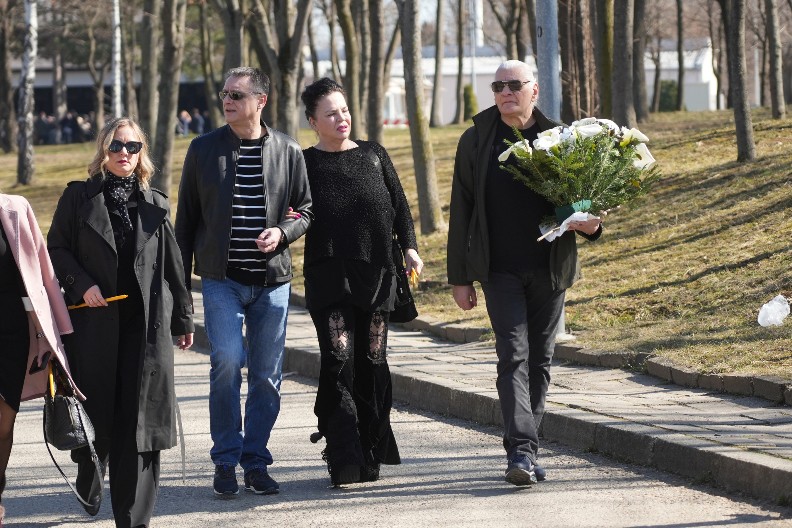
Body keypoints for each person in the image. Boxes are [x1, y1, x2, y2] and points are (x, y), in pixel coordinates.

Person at [447, 60, 602, 486]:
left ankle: (525, 451)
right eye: (498, 85)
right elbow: (461, 209)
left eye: (514, 85)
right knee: (512, 356)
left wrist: (593, 223)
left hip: (550, 269)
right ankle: (521, 453)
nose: (505, 91)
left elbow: (583, 201)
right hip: (499, 270)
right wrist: (459, 276)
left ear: (534, 90)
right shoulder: (476, 139)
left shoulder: (562, 137)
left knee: (541, 361)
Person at [48, 117, 195, 527]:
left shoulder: (156, 203)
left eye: (132, 146)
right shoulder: (79, 198)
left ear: (141, 152)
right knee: (99, 418)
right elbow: (55, 249)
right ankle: (90, 472)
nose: (124, 154)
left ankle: (134, 518)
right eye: (116, 146)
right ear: (103, 151)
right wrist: (81, 285)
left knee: (141, 421)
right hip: (95, 325)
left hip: (144, 326)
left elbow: (173, 267)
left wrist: (183, 317)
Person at [175, 66, 312, 497]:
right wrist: (180, 299)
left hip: (272, 283)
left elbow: (305, 209)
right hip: (222, 281)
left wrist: (283, 232)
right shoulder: (202, 150)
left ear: (261, 101)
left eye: (236, 94)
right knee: (227, 363)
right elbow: (185, 225)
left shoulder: (288, 150)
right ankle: (225, 460)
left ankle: (256, 461)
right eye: (224, 93)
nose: (227, 100)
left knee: (267, 375)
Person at [299, 78, 423, 486]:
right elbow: (294, 212)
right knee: (339, 360)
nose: (342, 118)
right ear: (314, 121)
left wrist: (410, 247)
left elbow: (400, 205)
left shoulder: (374, 154)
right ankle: (344, 455)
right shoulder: (305, 163)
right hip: (329, 275)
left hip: (378, 274)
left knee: (372, 363)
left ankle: (371, 451)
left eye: (345, 110)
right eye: (331, 113)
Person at [0, 193, 81, 525]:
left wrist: (57, 335)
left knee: (3, 421)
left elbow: (42, 273)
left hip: (11, 331)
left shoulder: (15, 209)